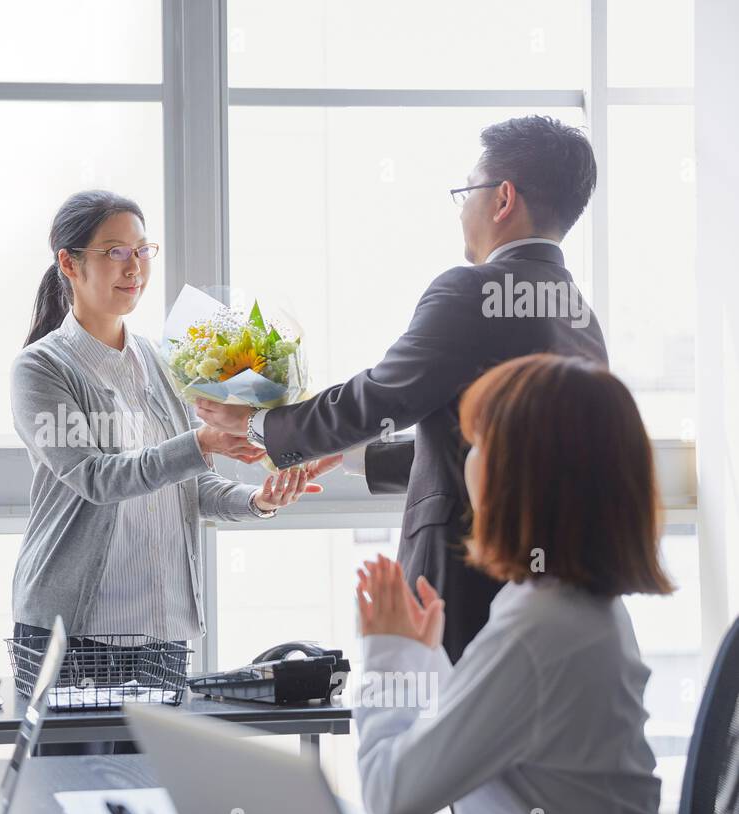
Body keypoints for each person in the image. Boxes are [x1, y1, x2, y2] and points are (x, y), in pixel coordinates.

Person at [195, 116, 607, 663]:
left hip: (462, 577)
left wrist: (255, 423)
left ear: (503, 198)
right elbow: (502, 451)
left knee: (439, 735)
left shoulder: (472, 290)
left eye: (467, 191)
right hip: (554, 575)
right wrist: (355, 457)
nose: (462, 208)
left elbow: (382, 397)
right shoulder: (580, 318)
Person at [352, 354, 672, 814]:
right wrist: (423, 656)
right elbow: (479, 725)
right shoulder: (566, 609)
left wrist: (388, 656)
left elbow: (390, 797)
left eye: (478, 444)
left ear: (523, 476)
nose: (467, 461)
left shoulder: (539, 629)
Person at [11, 189, 338, 649]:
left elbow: (188, 486)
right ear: (69, 263)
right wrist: (202, 444)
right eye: (115, 252)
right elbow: (95, 478)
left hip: (164, 630)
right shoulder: (41, 369)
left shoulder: (162, 362)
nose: (135, 267)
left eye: (143, 251)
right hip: (76, 635)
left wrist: (259, 501)